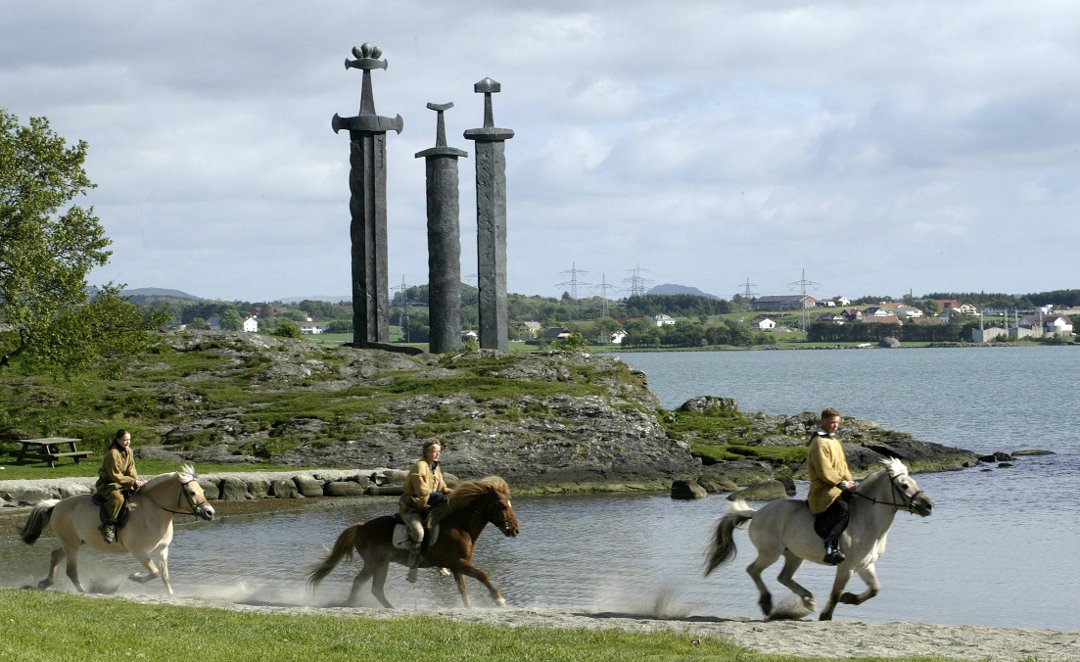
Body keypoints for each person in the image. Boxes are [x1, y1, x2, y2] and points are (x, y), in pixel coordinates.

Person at [807, 407, 857, 565]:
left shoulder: (835, 441)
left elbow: (843, 466)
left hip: (839, 485)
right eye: (832, 422)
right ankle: (830, 547)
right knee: (842, 508)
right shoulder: (818, 442)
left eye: (837, 423)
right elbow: (824, 471)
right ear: (823, 422)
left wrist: (851, 482)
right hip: (824, 489)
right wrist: (842, 483)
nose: (835, 426)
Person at [399, 439, 449, 583]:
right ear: (426, 452)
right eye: (434, 451)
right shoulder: (419, 467)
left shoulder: (435, 467)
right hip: (412, 508)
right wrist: (443, 497)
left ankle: (439, 562)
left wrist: (457, 493)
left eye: (439, 451)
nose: (437, 454)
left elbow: (443, 488)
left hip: (429, 507)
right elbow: (423, 493)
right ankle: (412, 569)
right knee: (419, 533)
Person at [94, 429, 145, 544]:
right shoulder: (112, 454)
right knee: (118, 498)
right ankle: (108, 526)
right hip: (108, 484)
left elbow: (131, 468)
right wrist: (132, 481)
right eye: (124, 440)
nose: (127, 442)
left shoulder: (129, 451)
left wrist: (136, 481)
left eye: (129, 440)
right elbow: (115, 476)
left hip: (123, 482)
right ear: (117, 440)